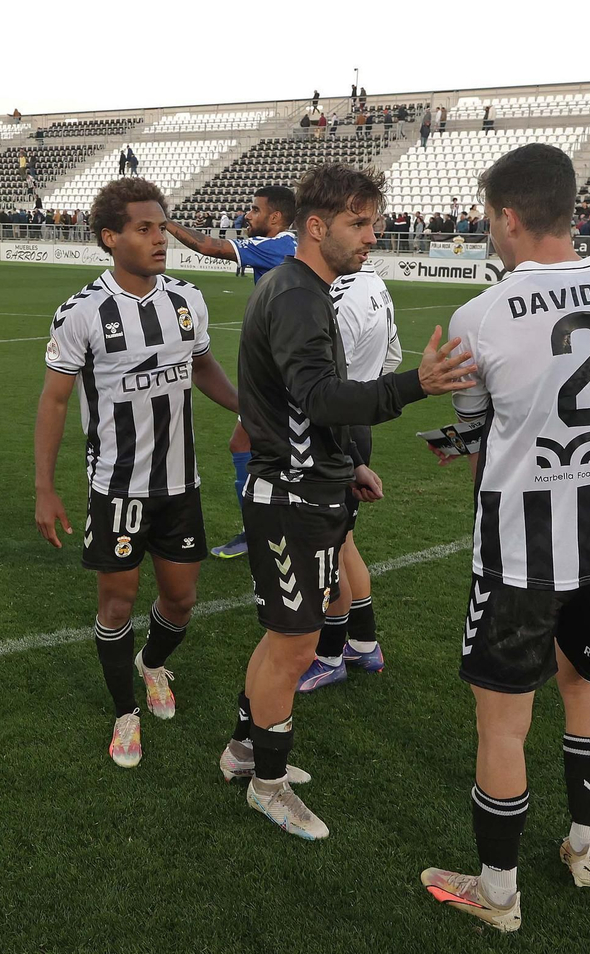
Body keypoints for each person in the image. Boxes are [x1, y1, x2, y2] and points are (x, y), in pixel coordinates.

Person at [419, 142, 590, 934]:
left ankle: (497, 893)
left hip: (522, 553)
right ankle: (586, 847)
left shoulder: (480, 314)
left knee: (503, 718)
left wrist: (468, 450)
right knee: (586, 686)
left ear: (507, 216)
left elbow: (476, 438)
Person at [220, 164, 476, 840]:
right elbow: (319, 398)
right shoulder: (300, 295)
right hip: (290, 498)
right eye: (358, 223)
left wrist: (346, 462)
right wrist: (415, 385)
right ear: (315, 226)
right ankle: (268, 787)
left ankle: (245, 751)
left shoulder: (307, 289)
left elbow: (304, 406)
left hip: (311, 484)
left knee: (285, 639)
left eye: (373, 221)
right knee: (295, 642)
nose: (373, 235)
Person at [33, 177, 239, 768]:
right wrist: (45, 489)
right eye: (144, 229)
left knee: (181, 600)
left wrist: (247, 408)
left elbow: (203, 367)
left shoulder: (187, 300)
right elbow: (52, 402)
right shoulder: (82, 313)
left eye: (162, 226)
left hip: (180, 485)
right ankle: (125, 712)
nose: (161, 239)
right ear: (110, 237)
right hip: (117, 487)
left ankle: (152, 664)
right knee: (118, 605)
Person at [163, 185, 299, 559]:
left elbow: (210, 246)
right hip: (278, 369)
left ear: (275, 217)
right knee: (249, 444)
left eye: (255, 210)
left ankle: (267, 532)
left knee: (263, 448)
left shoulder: (280, 245)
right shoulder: (288, 246)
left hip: (284, 375)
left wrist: (164, 222)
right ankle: (264, 530)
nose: (248, 216)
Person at [296, 256, 403, 692]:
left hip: (333, 430)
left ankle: (328, 655)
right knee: (344, 542)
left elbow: (320, 382)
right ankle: (362, 642)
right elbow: (393, 354)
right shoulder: (373, 283)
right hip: (355, 420)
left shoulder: (338, 295)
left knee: (329, 549)